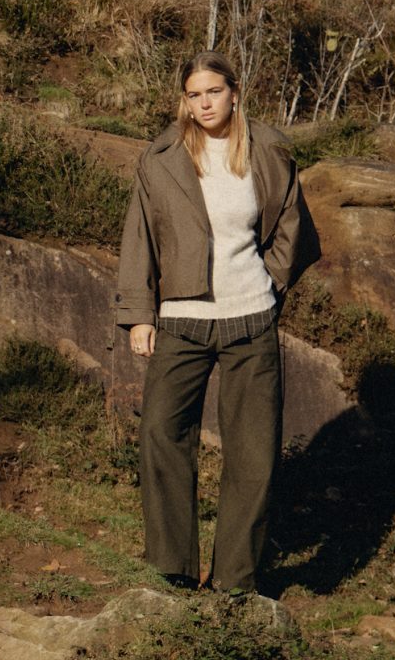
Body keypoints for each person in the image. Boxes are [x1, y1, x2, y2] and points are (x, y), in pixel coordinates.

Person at [116, 51, 320, 594]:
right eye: (194, 95)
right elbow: (140, 238)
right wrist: (139, 316)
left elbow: (293, 228)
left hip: (251, 322)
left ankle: (234, 579)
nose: (204, 103)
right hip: (182, 319)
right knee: (161, 433)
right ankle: (172, 569)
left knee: (253, 453)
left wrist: (269, 285)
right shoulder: (161, 157)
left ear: (234, 92)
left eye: (213, 91)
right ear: (184, 101)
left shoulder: (269, 150)